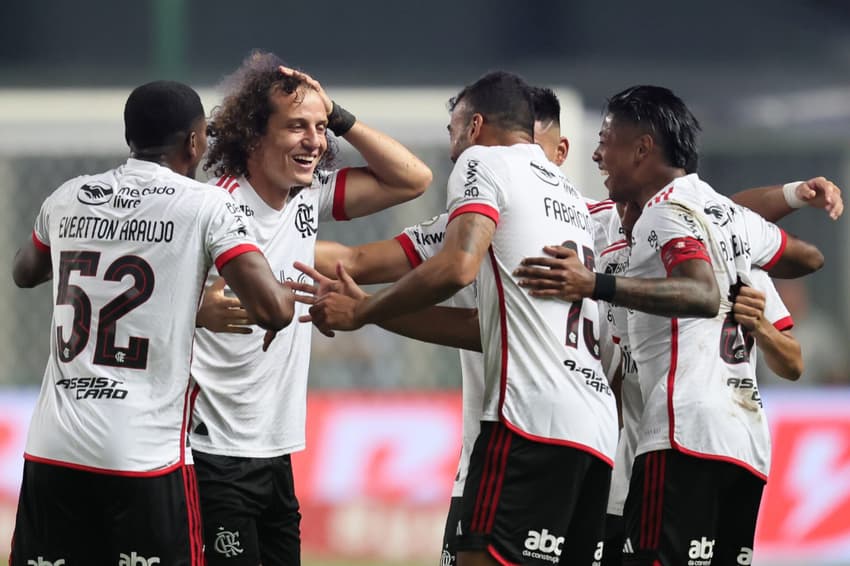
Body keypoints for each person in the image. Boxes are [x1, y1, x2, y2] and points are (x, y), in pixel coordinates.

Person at [304, 71, 618, 566]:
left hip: (525, 419)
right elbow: (482, 326)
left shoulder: (484, 164)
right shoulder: (576, 207)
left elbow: (457, 266)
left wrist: (363, 310)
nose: (452, 149)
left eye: (453, 132)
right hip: (594, 428)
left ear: (474, 126)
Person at [512, 85, 823, 566]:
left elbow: (702, 293)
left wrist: (595, 284)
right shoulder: (726, 226)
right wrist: (791, 196)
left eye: (606, 139)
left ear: (641, 149)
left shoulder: (664, 214)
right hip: (739, 445)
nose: (597, 154)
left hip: (678, 433)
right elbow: (807, 255)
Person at [9, 80, 295, 566]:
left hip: (54, 447)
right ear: (193, 142)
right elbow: (275, 310)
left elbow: (25, 272)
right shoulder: (205, 205)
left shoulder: (68, 196)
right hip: (143, 453)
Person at [189, 51, 432, 566]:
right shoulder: (212, 207)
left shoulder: (307, 195)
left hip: (276, 448)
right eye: (297, 126)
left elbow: (413, 179)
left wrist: (339, 114)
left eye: (321, 128)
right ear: (254, 136)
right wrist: (191, 310)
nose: (315, 142)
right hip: (211, 451)